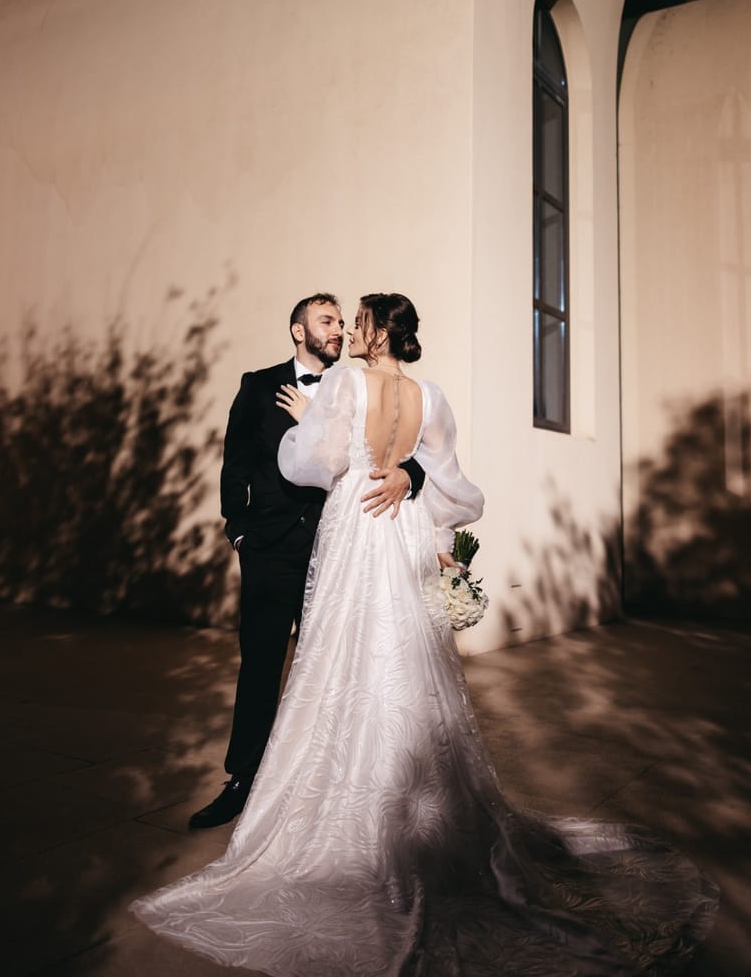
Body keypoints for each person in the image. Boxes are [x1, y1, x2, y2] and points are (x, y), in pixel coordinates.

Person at [134, 294, 717, 975]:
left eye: (358, 320)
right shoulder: (429, 395)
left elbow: (307, 465)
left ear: (379, 332)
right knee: (405, 655)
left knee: (340, 659)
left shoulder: (347, 382)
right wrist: (412, 487)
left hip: (355, 530)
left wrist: (307, 424)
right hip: (403, 532)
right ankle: (419, 800)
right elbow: (454, 486)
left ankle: (347, 802)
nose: (350, 329)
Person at [189, 293, 425, 829]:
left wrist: (411, 476)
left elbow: (400, 449)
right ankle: (243, 779)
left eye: (345, 322)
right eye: (327, 321)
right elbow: (237, 461)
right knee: (262, 665)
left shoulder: (356, 387)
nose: (339, 329)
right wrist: (239, 528)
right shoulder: (257, 384)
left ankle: (311, 782)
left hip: (338, 552)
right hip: (271, 549)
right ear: (299, 331)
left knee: (330, 670)